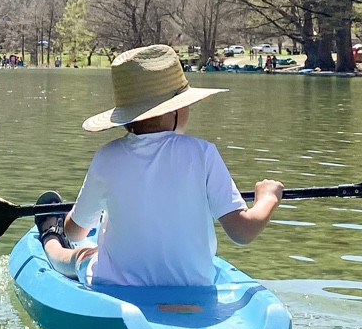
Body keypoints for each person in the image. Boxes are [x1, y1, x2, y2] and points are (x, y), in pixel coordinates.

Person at [34, 43, 283, 288]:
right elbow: (242, 232)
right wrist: (268, 198)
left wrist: (67, 223)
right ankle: (53, 238)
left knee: (81, 253)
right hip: (192, 286)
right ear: (172, 111)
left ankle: (50, 238)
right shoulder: (203, 153)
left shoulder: (107, 157)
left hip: (117, 284)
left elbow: (76, 233)